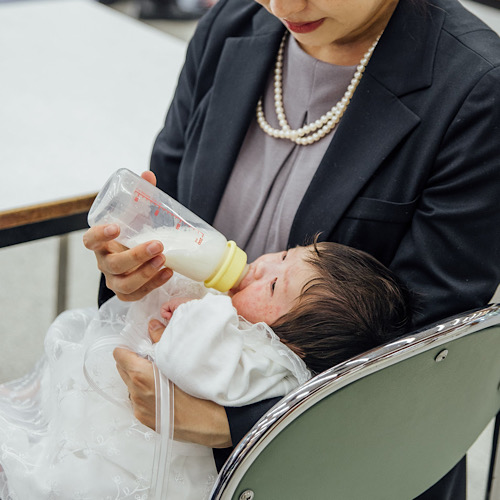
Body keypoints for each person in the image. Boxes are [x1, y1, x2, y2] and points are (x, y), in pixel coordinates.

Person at [83, 0, 500, 498]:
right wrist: (134, 270)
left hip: (343, 464)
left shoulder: (476, 89)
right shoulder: (232, 26)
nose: (285, 6)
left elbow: (426, 352)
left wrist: (233, 423)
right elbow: (166, 204)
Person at [0, 241, 411, 499]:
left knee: (64, 471)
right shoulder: (255, 326)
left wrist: (201, 309)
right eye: (285, 255)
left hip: (144, 460)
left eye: (273, 288)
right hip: (127, 398)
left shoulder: (274, 364)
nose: (264, 267)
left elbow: (191, 363)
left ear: (295, 344)